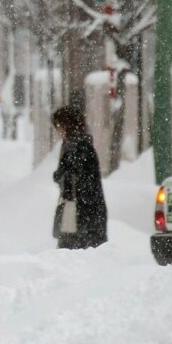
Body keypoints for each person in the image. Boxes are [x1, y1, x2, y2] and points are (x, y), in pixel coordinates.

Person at [51, 105, 108, 249]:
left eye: (59, 126)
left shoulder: (77, 147)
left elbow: (77, 179)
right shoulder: (79, 144)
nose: (58, 131)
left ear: (66, 125)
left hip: (81, 215)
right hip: (86, 214)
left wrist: (60, 176)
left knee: (74, 257)